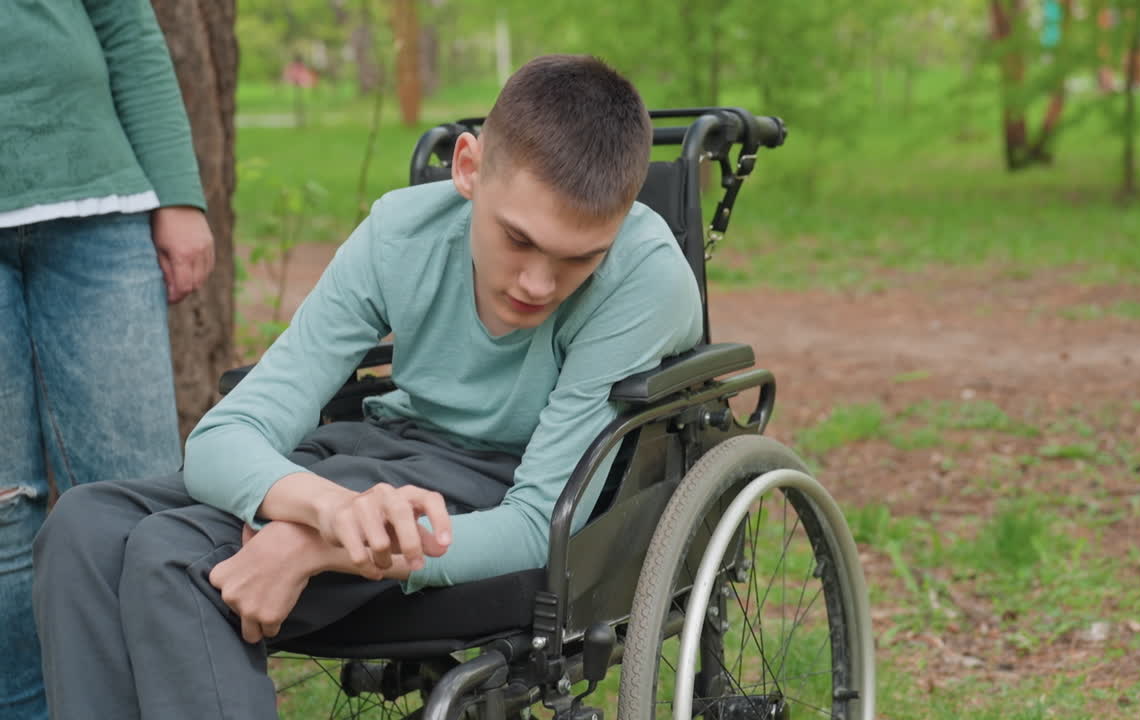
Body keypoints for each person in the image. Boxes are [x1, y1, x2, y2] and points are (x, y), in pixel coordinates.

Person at [33, 54, 701, 719]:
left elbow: (536, 524)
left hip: (509, 486)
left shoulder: (644, 279)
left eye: (577, 258)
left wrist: (322, 546)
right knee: (85, 526)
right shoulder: (398, 234)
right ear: (467, 167)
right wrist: (328, 513)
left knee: (172, 558)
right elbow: (223, 436)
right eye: (517, 239)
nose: (537, 284)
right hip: (378, 456)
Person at [0, 1, 214, 717]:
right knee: (1, 513)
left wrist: (178, 193)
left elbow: (125, 22)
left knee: (141, 501)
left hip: (98, 201)